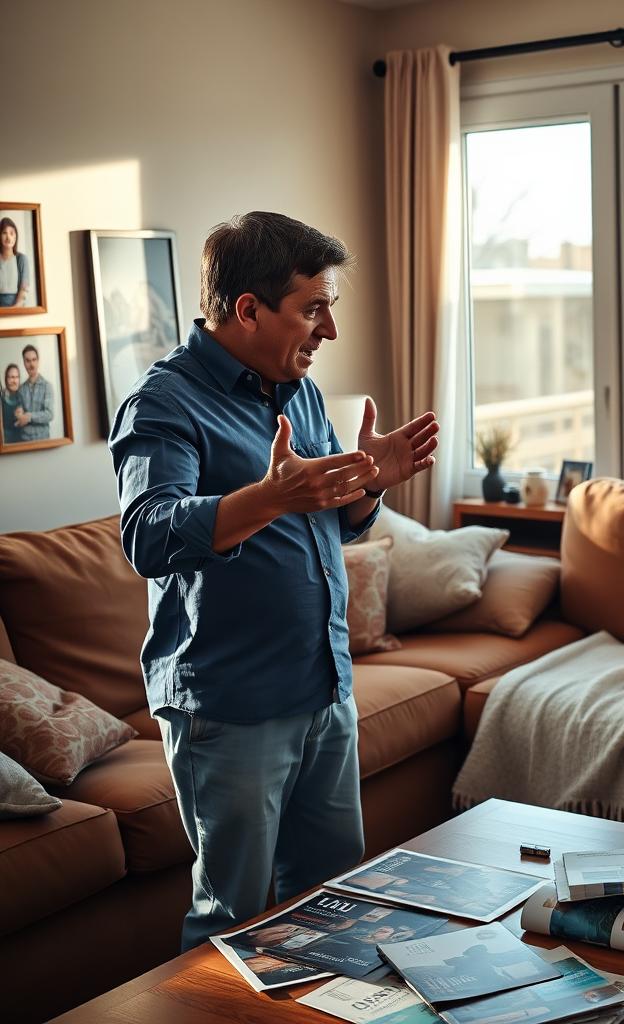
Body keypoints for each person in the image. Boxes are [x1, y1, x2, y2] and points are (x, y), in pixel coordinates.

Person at [108, 211, 439, 951]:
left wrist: (366, 489)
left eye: (330, 307)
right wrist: (272, 497)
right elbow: (149, 535)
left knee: (333, 902)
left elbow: (326, 526)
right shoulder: (163, 402)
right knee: (233, 918)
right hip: (231, 706)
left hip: (324, 687)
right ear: (249, 309)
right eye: (312, 308)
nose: (328, 330)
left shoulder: (299, 391)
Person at [15, 344, 54, 441]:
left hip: (43, 441)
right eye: (27, 361)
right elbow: (18, 417)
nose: (31, 364)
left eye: (34, 359)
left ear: (38, 361)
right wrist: (18, 415)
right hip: (24, 441)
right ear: (24, 363)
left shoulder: (47, 386)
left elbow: (49, 414)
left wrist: (29, 417)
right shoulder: (20, 389)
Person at [0, 217, 29, 307]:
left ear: (15, 236)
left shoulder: (21, 259)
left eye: (11, 233)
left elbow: (24, 289)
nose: (8, 237)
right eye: (4, 233)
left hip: (17, 309)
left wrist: (14, 309)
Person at [1, 363, 24, 444]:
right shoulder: (1, 397)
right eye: (11, 377)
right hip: (5, 443)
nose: (14, 381)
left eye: (16, 377)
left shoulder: (24, 395)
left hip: (23, 441)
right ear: (6, 379)